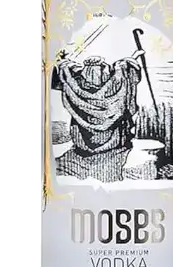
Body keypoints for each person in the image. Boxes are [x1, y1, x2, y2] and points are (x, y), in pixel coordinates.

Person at [52, 47, 145, 182]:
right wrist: (130, 61)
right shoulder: (116, 86)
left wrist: (64, 63)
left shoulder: (75, 87)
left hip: (82, 149)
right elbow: (124, 71)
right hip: (113, 149)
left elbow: (64, 73)